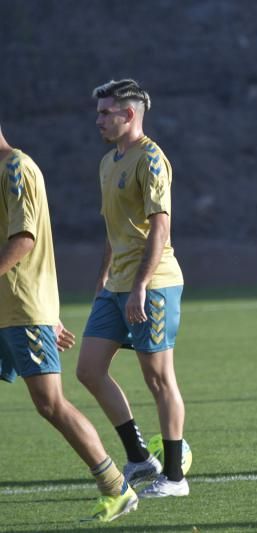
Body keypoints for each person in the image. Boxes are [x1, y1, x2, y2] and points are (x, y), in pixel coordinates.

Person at [0, 123, 138, 521]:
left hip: (21, 309)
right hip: (8, 308)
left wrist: (45, 312)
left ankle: (116, 485)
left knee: (49, 403)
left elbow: (25, 239)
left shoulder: (17, 168)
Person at [76, 79, 188, 498]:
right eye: (99, 112)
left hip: (154, 283)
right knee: (88, 369)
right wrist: (103, 281)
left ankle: (176, 478)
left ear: (129, 115)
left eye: (106, 112)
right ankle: (141, 457)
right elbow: (113, 230)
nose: (99, 119)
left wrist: (140, 285)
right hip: (117, 284)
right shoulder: (108, 162)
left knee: (159, 379)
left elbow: (161, 228)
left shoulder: (152, 160)